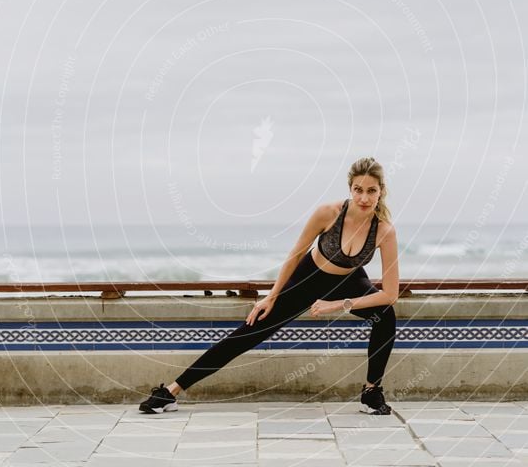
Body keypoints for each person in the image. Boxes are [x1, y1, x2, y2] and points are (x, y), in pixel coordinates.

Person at [139, 156, 399, 416]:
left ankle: (371, 391)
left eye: (371, 191)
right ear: (350, 189)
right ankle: (171, 392)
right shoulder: (328, 214)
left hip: (348, 283)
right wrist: (272, 296)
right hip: (308, 278)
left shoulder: (385, 231)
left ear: (381, 192)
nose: (364, 198)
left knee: (385, 316)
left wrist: (338, 305)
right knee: (251, 330)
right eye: (358, 190)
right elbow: (296, 254)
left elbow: (390, 294)